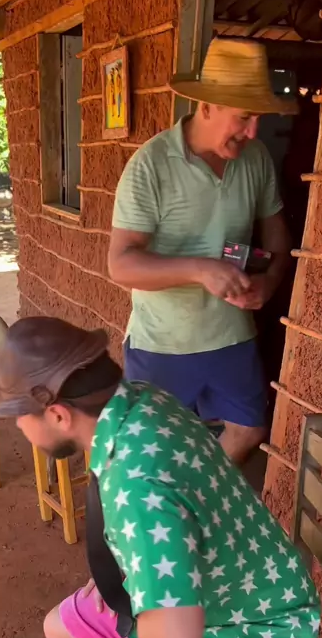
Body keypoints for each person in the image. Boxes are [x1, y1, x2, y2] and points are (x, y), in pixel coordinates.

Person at [0, 315, 320, 638]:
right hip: (224, 581)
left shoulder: (139, 486)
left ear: (56, 414)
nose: (16, 427)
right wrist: (127, 584)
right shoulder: (136, 401)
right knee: (65, 629)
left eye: (18, 415)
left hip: (255, 627)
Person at [108, 38, 296, 465]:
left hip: (232, 335)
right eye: (244, 117)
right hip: (162, 341)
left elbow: (277, 240)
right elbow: (121, 264)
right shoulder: (151, 165)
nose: (253, 132)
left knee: (249, 430)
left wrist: (269, 281)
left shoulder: (256, 158)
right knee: (153, 454)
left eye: (259, 119)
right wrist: (199, 269)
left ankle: (198, 491)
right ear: (206, 107)